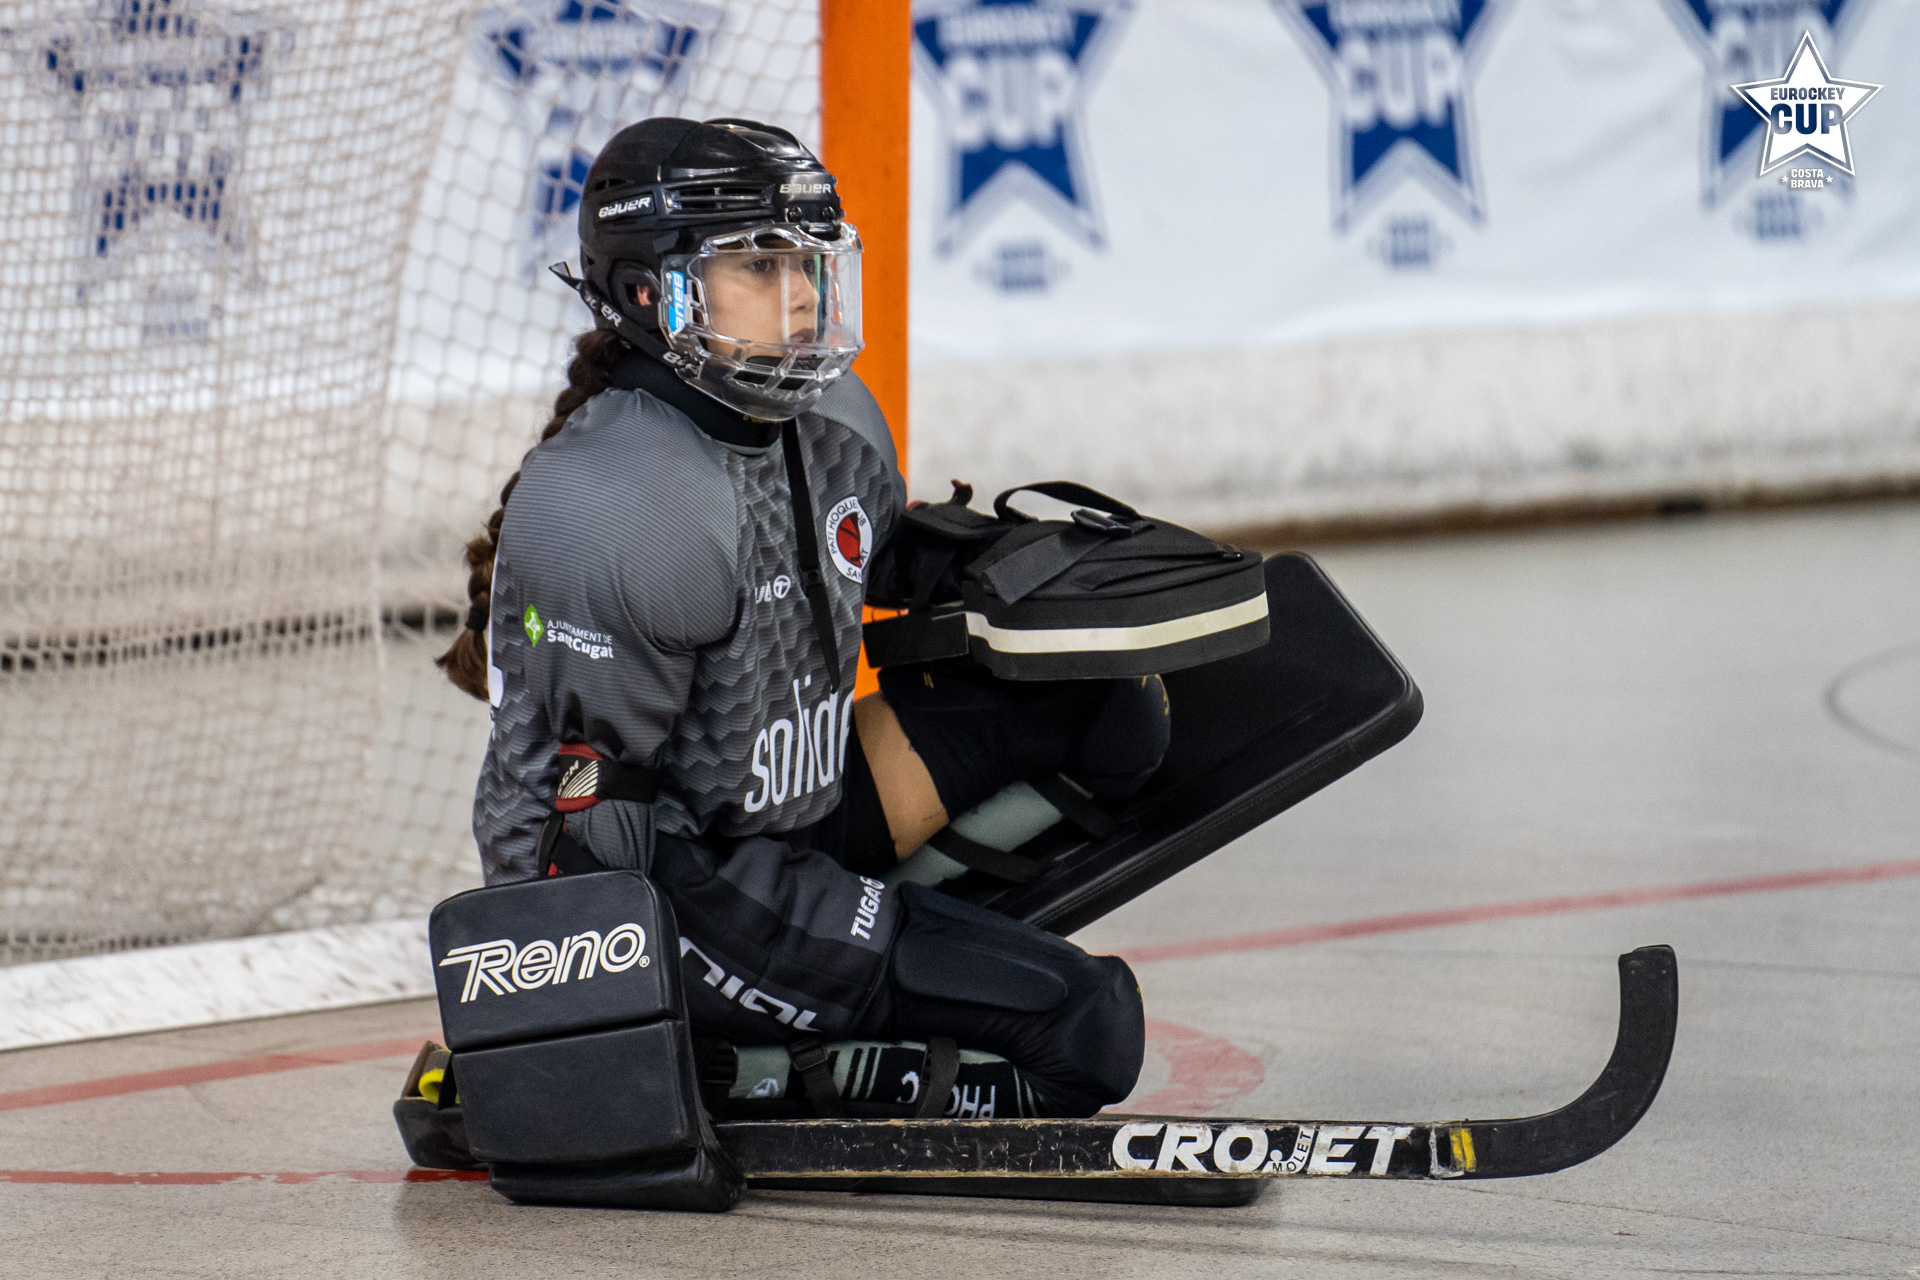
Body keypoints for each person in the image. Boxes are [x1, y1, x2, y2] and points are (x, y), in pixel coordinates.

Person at [435, 117, 1170, 1119]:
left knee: (1115, 706)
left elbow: (862, 561)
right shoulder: (615, 501)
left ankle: (866, 967)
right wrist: (583, 1058)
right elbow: (583, 827)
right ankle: (744, 1068)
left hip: (801, 809)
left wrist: (1019, 563)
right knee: (1088, 1029)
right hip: (681, 888)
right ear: (648, 294)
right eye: (759, 265)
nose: (802, 297)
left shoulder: (837, 418)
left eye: (812, 263)